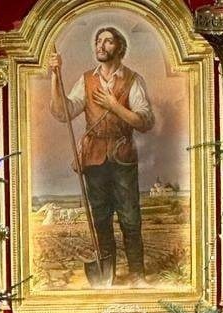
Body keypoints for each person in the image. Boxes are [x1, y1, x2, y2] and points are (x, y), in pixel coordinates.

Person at [48, 26, 155, 283]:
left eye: (108, 42)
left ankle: (137, 275)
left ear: (119, 48)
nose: (101, 46)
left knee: (130, 218)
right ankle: (106, 276)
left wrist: (115, 106)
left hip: (122, 155)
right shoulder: (87, 80)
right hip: (94, 158)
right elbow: (63, 112)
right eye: (98, 41)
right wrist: (54, 76)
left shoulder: (132, 80)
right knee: (100, 219)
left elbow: (145, 121)